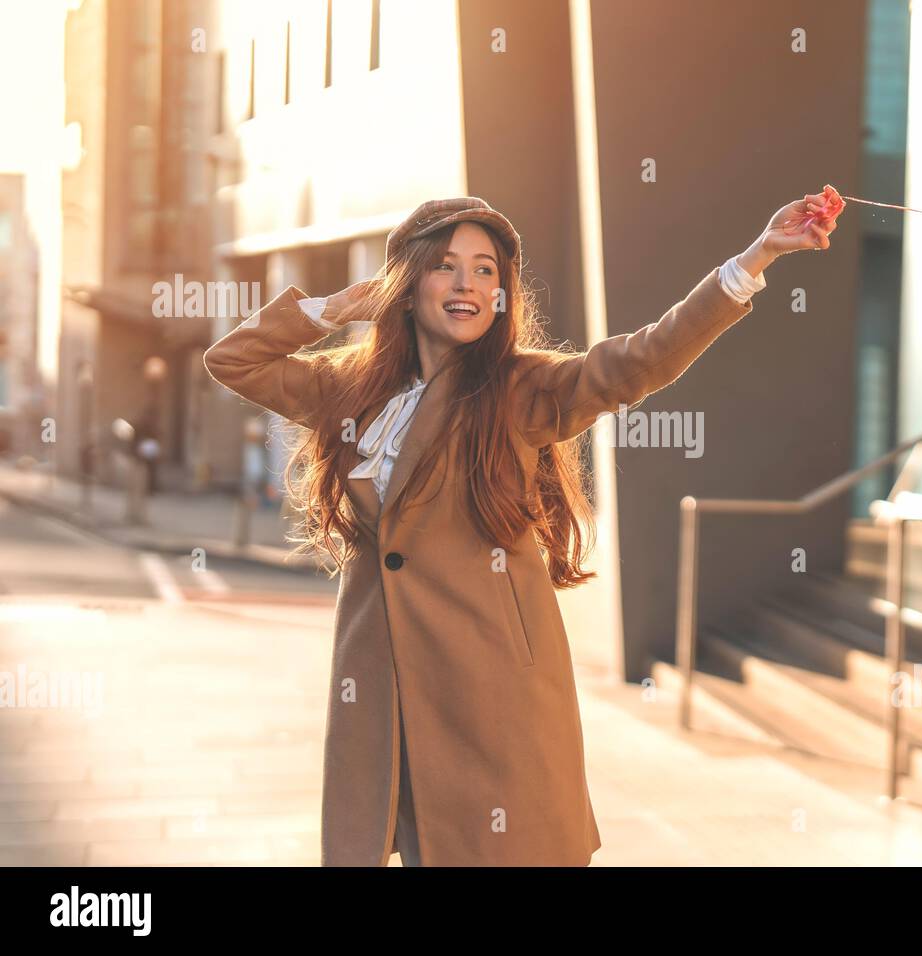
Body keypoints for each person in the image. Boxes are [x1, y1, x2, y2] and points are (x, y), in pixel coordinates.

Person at [203, 191, 840, 866]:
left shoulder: (523, 387)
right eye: (447, 266)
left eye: (486, 271)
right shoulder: (351, 388)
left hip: (490, 693)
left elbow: (641, 360)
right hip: (382, 692)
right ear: (407, 280)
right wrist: (332, 309)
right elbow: (233, 361)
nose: (468, 285)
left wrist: (757, 257)